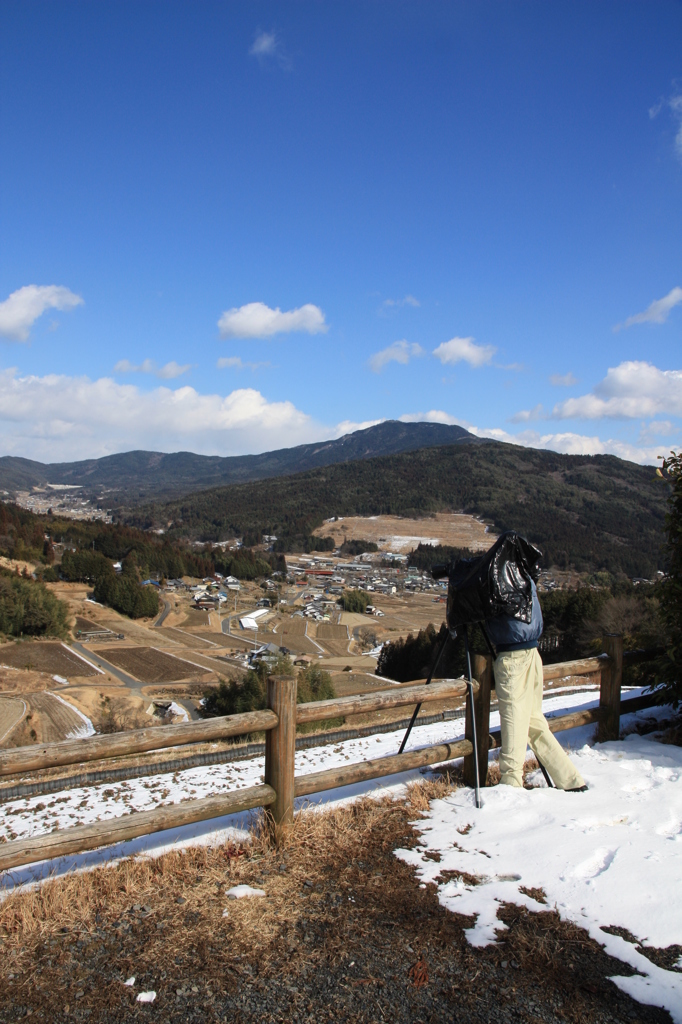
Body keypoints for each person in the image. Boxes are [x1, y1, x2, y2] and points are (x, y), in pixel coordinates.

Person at [485, 578, 587, 791]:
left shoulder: (497, 574)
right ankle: (571, 781)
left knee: (514, 721)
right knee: (533, 722)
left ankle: (510, 785)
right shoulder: (521, 573)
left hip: (513, 657)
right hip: (532, 653)